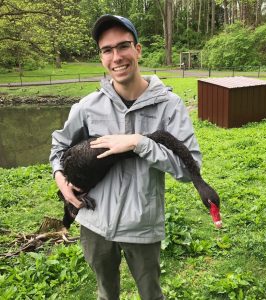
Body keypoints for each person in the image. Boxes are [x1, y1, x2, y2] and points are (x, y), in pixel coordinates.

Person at [50, 14, 201, 300]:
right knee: (106, 294)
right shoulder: (87, 106)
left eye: (123, 46)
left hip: (142, 226)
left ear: (138, 49)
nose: (116, 57)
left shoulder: (169, 107)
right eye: (107, 50)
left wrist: (138, 143)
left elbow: (187, 168)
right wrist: (60, 178)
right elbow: (58, 147)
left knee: (151, 295)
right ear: (101, 57)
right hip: (94, 223)